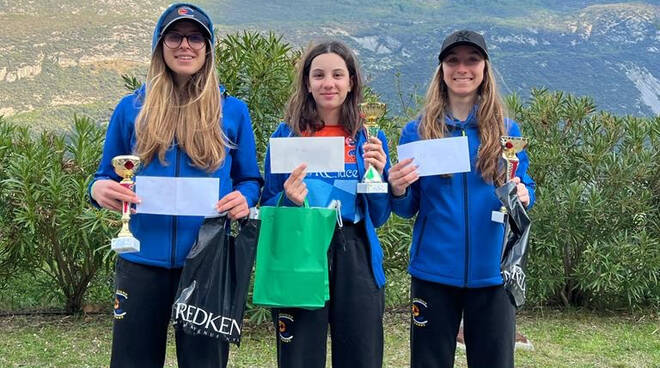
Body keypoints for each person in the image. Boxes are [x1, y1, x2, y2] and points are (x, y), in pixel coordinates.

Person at [88, 3, 262, 367]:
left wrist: (244, 199)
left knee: (205, 362)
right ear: (160, 44)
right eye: (175, 36)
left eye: (195, 36)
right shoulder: (130, 108)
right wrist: (98, 190)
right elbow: (104, 174)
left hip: (206, 261)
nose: (185, 45)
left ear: (208, 47)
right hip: (140, 258)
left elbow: (250, 180)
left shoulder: (233, 111)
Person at [388, 30, 536, 368]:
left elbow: (523, 183)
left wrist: (526, 194)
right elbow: (407, 206)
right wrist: (397, 187)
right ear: (441, 69)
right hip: (433, 272)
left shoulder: (507, 131)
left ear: (485, 68)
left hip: (495, 273)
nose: (462, 68)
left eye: (472, 59)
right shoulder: (418, 130)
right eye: (453, 60)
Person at [261, 40, 391, 368]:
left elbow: (379, 214)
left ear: (351, 82)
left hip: (355, 248)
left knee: (361, 356)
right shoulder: (287, 135)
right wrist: (288, 200)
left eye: (337, 74)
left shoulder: (368, 136)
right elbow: (267, 203)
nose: (328, 83)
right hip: (300, 247)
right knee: (299, 357)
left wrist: (377, 174)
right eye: (318, 75)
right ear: (307, 82)